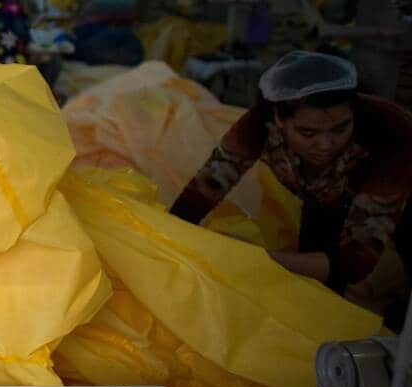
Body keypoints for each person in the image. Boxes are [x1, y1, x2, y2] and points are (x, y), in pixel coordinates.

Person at [171, 52, 412, 326]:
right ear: (279, 120)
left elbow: (354, 261)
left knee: (379, 300)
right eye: (308, 134)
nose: (325, 145)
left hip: (401, 205)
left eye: (340, 129)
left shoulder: (393, 133)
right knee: (314, 298)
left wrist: (257, 258)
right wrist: (169, 237)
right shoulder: (260, 122)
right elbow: (206, 188)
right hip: (324, 199)